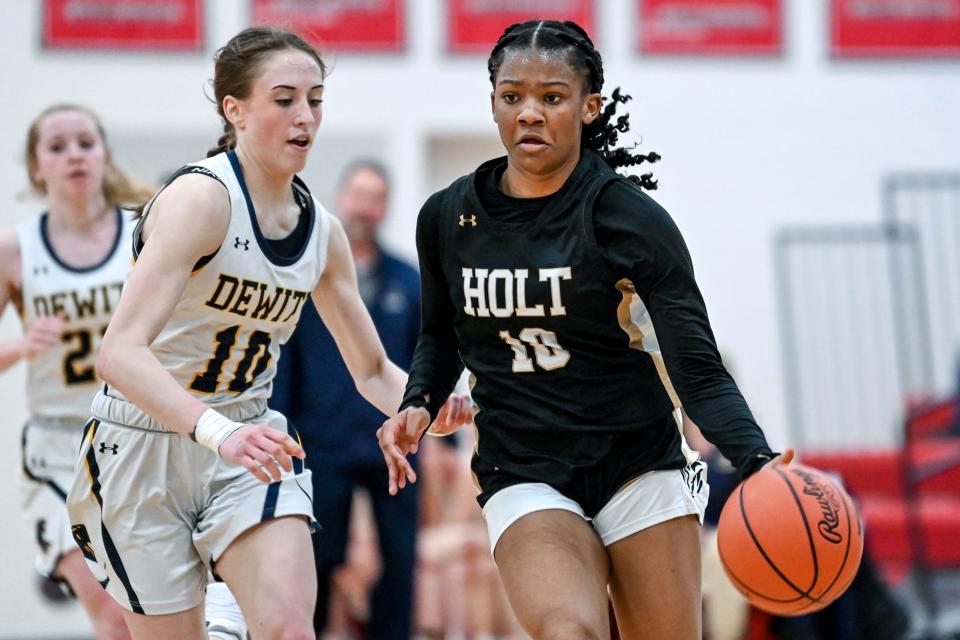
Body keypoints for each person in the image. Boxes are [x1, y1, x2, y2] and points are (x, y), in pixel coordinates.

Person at [378, 19, 792, 640]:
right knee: (570, 630)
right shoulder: (447, 216)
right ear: (492, 102)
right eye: (512, 96)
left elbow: (697, 366)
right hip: (524, 467)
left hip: (638, 464)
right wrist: (419, 398)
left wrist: (756, 460)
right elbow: (440, 335)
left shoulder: (629, 220)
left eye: (552, 97)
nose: (530, 114)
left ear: (588, 105)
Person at [65, 27, 468, 639]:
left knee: (287, 626)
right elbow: (118, 353)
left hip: (251, 442)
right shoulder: (201, 200)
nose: (305, 116)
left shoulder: (323, 232)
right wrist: (216, 431)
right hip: (143, 447)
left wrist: (427, 407)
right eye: (284, 99)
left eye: (315, 99)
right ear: (236, 110)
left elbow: (369, 370)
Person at [0, 103, 153, 640]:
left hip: (137, 437)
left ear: (105, 154)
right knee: (109, 613)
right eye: (57, 147)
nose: (74, 156)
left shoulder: (146, 231)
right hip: (56, 448)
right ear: (36, 166)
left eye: (85, 143)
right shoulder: (15, 251)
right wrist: (20, 346)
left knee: (150, 615)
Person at [272, 160, 422, 638]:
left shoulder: (409, 280)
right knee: (318, 555)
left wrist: (442, 441)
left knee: (400, 558)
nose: (366, 206)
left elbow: (425, 363)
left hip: (395, 445)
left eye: (376, 197)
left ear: (385, 208)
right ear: (341, 200)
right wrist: (282, 432)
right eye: (358, 194)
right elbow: (285, 365)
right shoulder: (308, 279)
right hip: (322, 443)